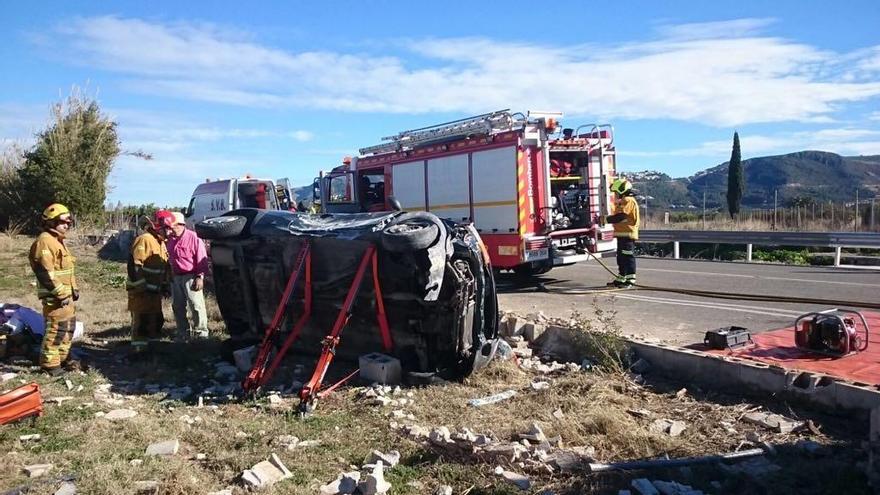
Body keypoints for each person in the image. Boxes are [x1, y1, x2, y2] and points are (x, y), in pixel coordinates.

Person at [29, 203, 79, 375]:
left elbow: (64, 269)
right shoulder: (45, 242)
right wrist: (61, 293)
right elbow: (45, 272)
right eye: (63, 222)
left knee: (67, 329)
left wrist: (73, 289)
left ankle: (62, 360)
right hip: (56, 298)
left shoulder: (57, 241)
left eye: (69, 222)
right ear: (50, 222)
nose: (67, 225)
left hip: (66, 298)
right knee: (56, 331)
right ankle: (50, 366)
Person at [126, 210, 173, 353]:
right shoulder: (145, 239)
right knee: (141, 322)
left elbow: (163, 267)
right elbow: (135, 265)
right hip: (142, 292)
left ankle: (151, 349)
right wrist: (141, 286)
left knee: (155, 321)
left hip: (154, 292)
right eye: (168, 229)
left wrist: (165, 286)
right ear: (158, 226)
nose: (170, 233)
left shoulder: (161, 243)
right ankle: (138, 352)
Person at [167, 212, 209, 340]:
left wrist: (199, 277)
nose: (169, 229)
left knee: (196, 305)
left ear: (180, 225)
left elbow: (202, 258)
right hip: (176, 277)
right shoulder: (170, 240)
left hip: (191, 276)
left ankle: (201, 333)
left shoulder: (194, 238)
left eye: (171, 226)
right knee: (177, 306)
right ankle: (182, 332)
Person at [603, 178, 640, 288]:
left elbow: (621, 217)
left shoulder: (628, 200)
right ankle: (621, 277)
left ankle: (630, 279)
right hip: (622, 234)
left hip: (627, 235)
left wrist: (603, 220)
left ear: (622, 190)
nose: (616, 194)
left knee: (628, 256)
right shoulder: (624, 200)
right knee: (621, 257)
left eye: (616, 192)